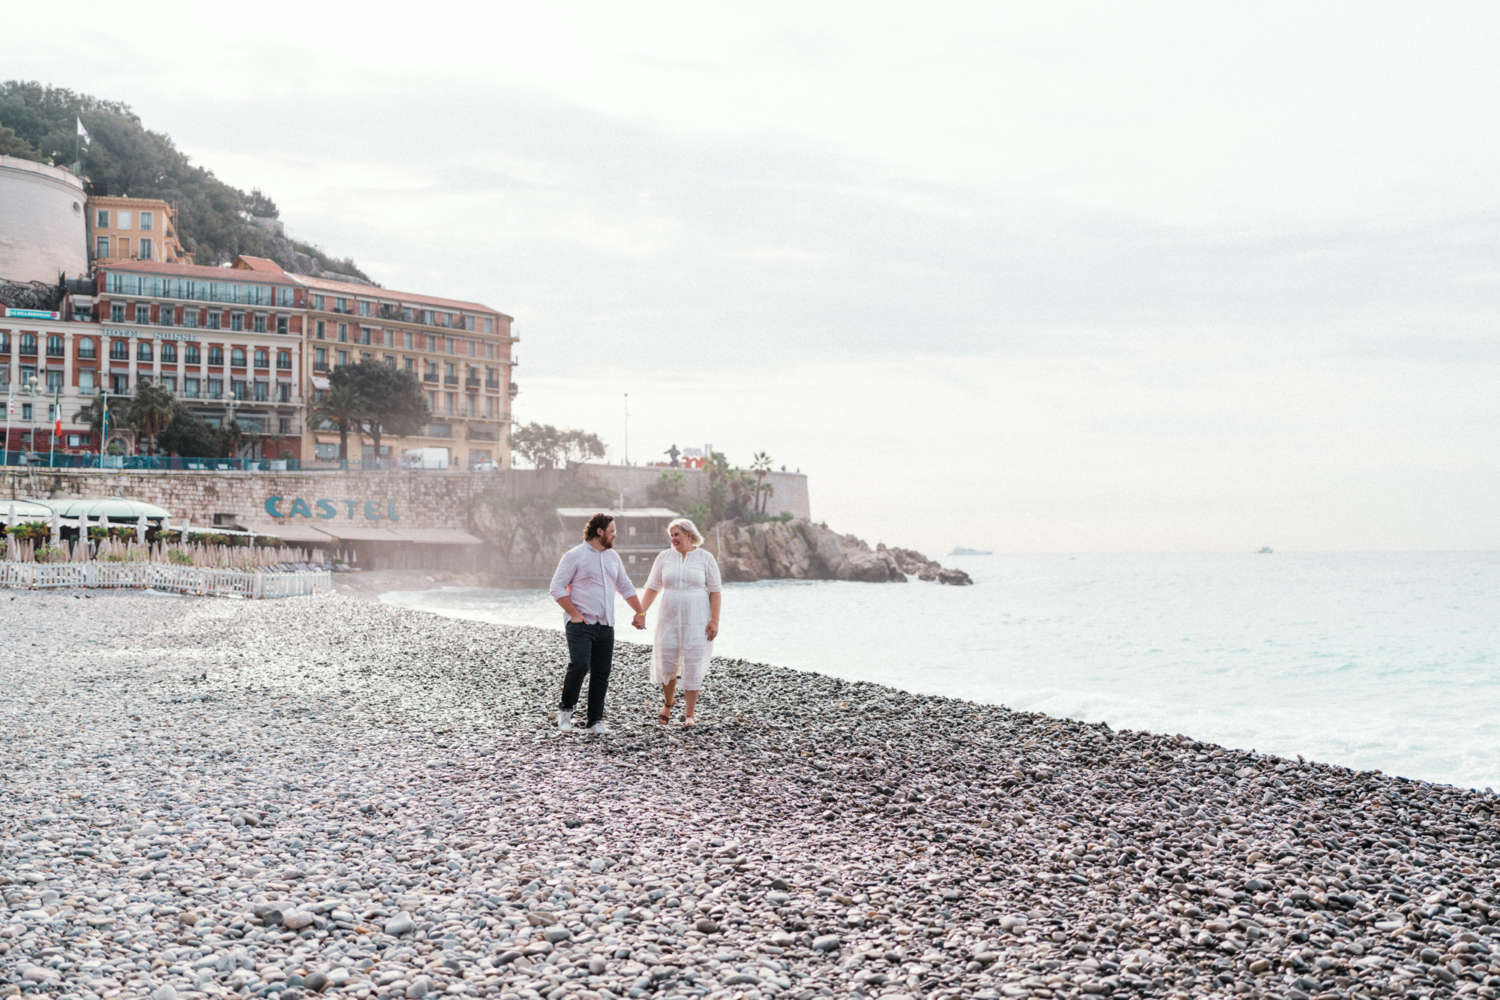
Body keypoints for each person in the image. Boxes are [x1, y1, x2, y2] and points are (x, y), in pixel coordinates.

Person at [548, 512, 645, 733]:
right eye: (612, 531)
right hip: (581, 623)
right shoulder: (574, 556)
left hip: (606, 625)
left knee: (601, 672)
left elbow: (626, 587)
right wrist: (574, 614)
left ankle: (594, 722)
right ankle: (565, 712)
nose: (615, 535)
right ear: (599, 532)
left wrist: (640, 612)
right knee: (580, 666)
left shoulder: (613, 558)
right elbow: (557, 587)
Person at [637, 517, 722, 727]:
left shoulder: (705, 557)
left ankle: (690, 714)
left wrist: (714, 621)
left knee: (692, 663)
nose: (673, 539)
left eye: (677, 535)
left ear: (689, 535)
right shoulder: (664, 557)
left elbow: (715, 591)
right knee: (668, 660)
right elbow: (652, 587)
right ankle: (668, 702)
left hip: (698, 619)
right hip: (669, 618)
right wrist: (640, 613)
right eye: (671, 535)